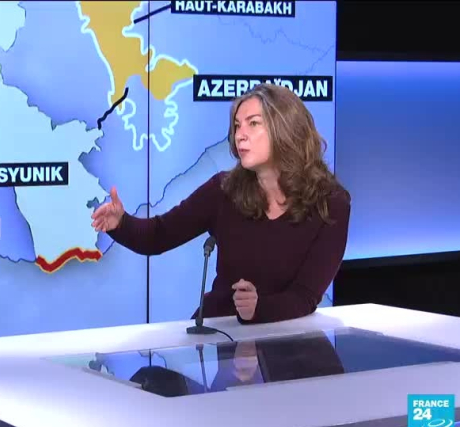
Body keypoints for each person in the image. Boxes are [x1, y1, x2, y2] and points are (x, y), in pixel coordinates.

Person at [91, 83, 351, 324]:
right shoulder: (224, 190)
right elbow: (159, 235)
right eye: (237, 126)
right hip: (220, 333)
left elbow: (305, 296)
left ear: (285, 128)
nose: (240, 135)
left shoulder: (331, 204)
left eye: (253, 124)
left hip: (286, 342)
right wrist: (121, 223)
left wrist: (258, 309)